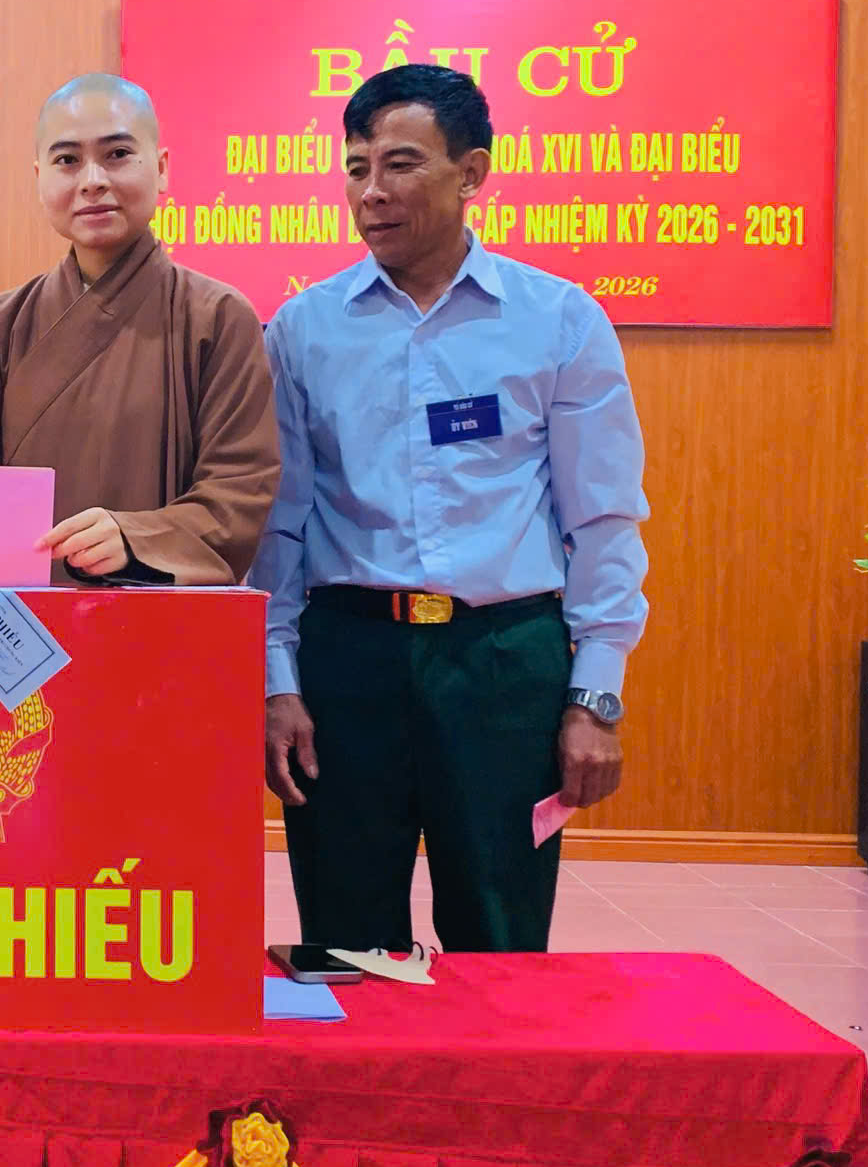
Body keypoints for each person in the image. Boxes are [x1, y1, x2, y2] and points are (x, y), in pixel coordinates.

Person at [256, 64, 648, 954]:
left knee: (500, 938)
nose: (372, 192)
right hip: (347, 660)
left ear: (471, 173)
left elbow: (602, 521)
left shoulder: (558, 320)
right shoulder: (303, 330)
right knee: (347, 939)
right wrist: (278, 682)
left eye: (400, 164)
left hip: (503, 661)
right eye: (356, 169)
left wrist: (595, 697)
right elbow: (279, 528)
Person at [0, 73, 278, 584]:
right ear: (40, 178)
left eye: (118, 154)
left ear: (162, 168)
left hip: (159, 620)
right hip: (11, 623)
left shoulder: (218, 318)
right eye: (67, 160)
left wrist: (135, 539)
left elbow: (237, 494)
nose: (92, 180)